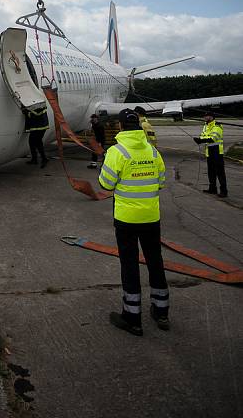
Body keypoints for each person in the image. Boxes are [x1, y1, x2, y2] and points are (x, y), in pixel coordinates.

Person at [99, 108, 169, 336]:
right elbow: (161, 182)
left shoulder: (116, 151)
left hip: (127, 219)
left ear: (120, 126)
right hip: (151, 217)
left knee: (129, 265)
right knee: (155, 261)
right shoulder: (152, 150)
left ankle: (132, 317)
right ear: (138, 125)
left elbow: (106, 185)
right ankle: (161, 312)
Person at [194, 114, 227, 197]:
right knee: (211, 171)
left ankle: (224, 191)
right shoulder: (206, 125)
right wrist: (199, 139)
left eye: (206, 116)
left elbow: (214, 138)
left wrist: (201, 140)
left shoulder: (217, 126)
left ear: (211, 117)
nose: (204, 117)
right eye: (204, 116)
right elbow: (203, 135)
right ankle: (212, 189)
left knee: (220, 172)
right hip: (209, 151)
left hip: (217, 152)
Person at [24, 104, 50, 168]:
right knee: (36, 142)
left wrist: (26, 112)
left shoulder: (38, 105)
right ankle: (37, 159)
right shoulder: (39, 103)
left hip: (39, 127)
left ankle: (41, 159)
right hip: (38, 127)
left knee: (35, 142)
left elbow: (36, 114)